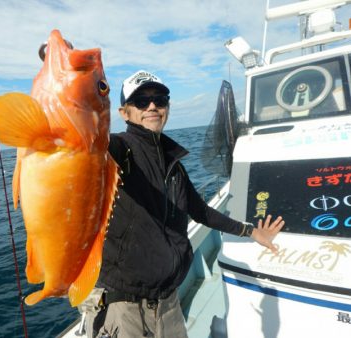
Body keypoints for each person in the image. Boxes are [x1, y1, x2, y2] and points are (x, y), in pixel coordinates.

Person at [82, 70, 285, 338]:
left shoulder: (173, 164)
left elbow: (200, 211)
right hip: (123, 306)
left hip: (168, 302)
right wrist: (79, 84)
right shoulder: (119, 150)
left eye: (160, 99)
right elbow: (88, 141)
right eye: (141, 101)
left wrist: (251, 231)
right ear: (124, 113)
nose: (152, 106)